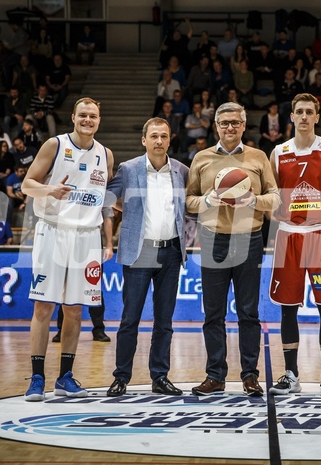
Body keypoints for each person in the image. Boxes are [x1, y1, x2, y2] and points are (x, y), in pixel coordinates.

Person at [21, 97, 114, 401]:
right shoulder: (55, 145)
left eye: (94, 116)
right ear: (73, 117)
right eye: (83, 115)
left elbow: (106, 201)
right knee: (43, 307)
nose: (88, 120)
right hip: (53, 230)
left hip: (87, 236)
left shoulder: (105, 154)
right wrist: (50, 189)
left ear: (99, 120)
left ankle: (65, 377)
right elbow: (26, 185)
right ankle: (37, 377)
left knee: (74, 309)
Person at [185, 102, 280, 396]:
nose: (230, 127)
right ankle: (215, 376)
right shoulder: (201, 158)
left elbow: (275, 197)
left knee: (248, 312)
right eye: (224, 123)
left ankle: (250, 376)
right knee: (213, 313)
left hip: (249, 239)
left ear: (243, 125)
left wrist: (254, 201)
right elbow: (188, 201)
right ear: (216, 126)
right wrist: (209, 201)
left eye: (235, 123)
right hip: (213, 239)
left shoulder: (258, 156)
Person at [268, 93, 321, 397]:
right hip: (288, 234)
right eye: (299, 111)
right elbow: (271, 197)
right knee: (288, 308)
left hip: (320, 234)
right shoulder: (278, 152)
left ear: (317, 117)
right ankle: (291, 374)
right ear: (291, 117)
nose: (304, 116)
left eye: (309, 112)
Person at [105, 117, 189, 397]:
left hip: (171, 251)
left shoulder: (181, 170)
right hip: (139, 251)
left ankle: (160, 376)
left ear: (169, 139)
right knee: (130, 319)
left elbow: (190, 206)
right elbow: (109, 199)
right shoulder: (128, 169)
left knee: (164, 320)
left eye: (163, 136)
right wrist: (127, 212)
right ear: (144, 140)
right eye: (153, 136)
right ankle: (121, 377)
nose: (159, 141)